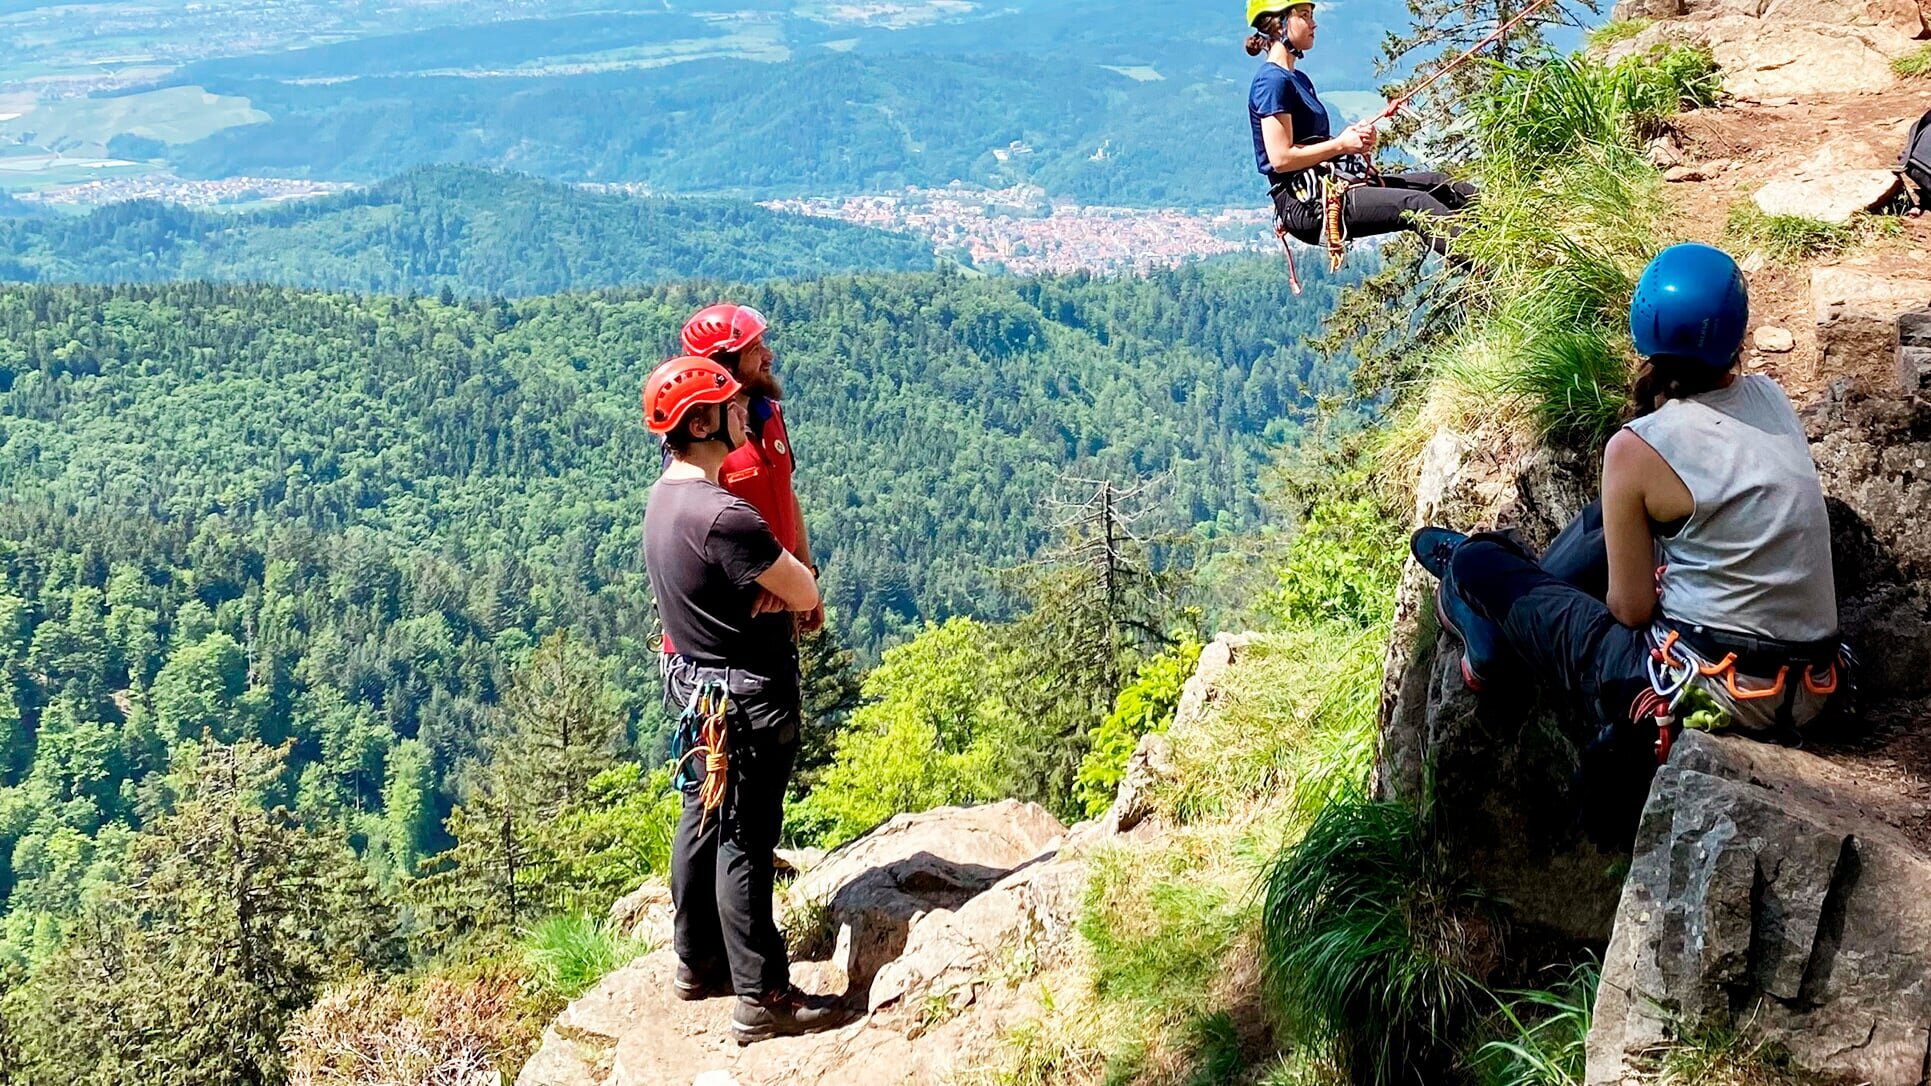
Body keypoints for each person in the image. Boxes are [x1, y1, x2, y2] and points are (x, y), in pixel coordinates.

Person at [1408, 244, 1845, 842]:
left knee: (1481, 563)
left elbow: (1631, 610)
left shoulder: (1637, 447)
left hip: (1709, 689)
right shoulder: (1769, 398)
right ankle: (1514, 602)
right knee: (1603, 521)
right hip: (1812, 689)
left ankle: (1487, 628)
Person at [640, 355, 843, 1043]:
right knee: (745, 843)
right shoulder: (726, 516)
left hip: (697, 691)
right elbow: (804, 592)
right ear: (701, 421)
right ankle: (762, 997)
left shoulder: (666, 498)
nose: (743, 414)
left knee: (703, 816)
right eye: (730, 407)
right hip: (747, 698)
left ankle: (697, 963)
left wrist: (775, 580)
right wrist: (794, 580)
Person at [1245, 0, 1477, 257]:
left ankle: (1509, 229)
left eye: (1312, 15)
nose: (1314, 23)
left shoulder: (1297, 79)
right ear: (1279, 25)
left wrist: (1351, 140)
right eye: (1304, 15)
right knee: (1415, 205)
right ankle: (1487, 268)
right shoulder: (1271, 81)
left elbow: (1310, 144)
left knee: (1440, 184)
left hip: (1324, 185)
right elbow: (1281, 158)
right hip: (1304, 203)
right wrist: (1341, 145)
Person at [681, 302, 825, 636]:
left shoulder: (769, 414)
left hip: (779, 604)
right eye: (755, 349)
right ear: (724, 364)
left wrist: (804, 576)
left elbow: (786, 497)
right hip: (731, 621)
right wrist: (775, 582)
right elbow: (700, 531)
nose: (769, 356)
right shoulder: (699, 437)